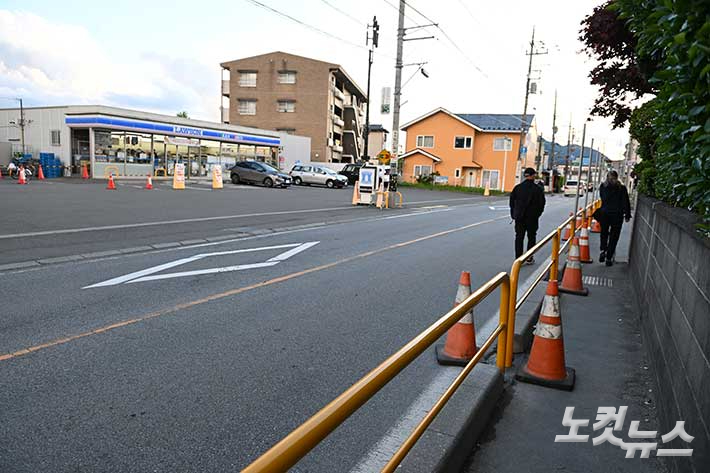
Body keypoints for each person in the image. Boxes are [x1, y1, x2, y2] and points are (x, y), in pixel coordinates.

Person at [510, 167, 546, 264]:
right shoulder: (538, 189)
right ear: (533, 175)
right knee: (531, 237)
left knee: (519, 237)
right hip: (532, 218)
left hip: (519, 217)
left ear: (525, 176)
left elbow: (512, 202)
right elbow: (542, 204)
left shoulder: (518, 188)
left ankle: (518, 258)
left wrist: (514, 214)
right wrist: (538, 214)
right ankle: (529, 257)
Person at [597, 170, 631, 266]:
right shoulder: (622, 188)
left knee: (604, 232)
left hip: (605, 213)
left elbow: (602, 198)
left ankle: (603, 250)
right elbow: (626, 202)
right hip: (617, 215)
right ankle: (609, 257)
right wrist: (627, 215)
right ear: (617, 177)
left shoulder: (603, 187)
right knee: (614, 236)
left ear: (607, 177)